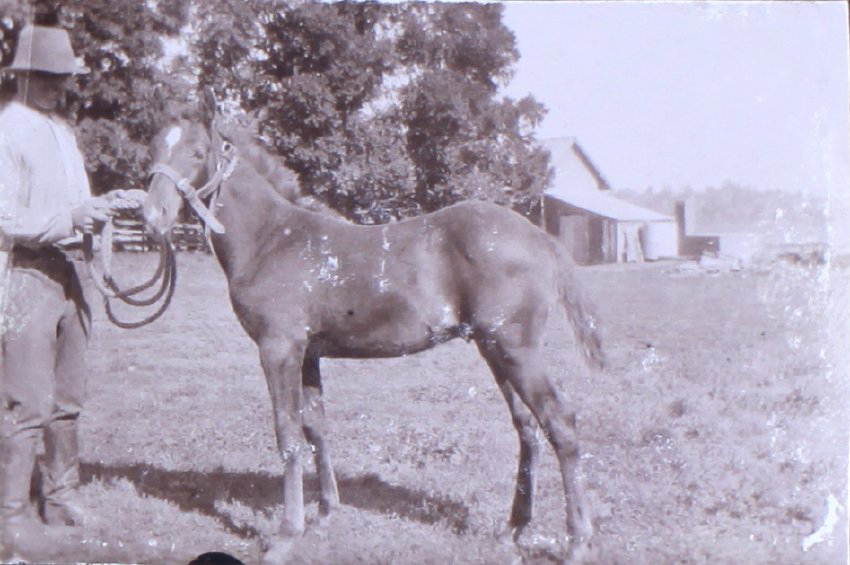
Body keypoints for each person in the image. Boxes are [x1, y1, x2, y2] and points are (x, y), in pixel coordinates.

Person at [0, 23, 142, 560]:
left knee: (68, 399)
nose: (63, 86)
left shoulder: (61, 130)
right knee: (26, 402)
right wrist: (73, 217)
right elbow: (5, 217)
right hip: (28, 276)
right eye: (53, 77)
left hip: (72, 276)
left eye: (66, 78)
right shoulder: (8, 129)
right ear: (25, 76)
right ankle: (11, 516)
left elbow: (79, 204)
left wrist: (106, 210)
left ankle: (60, 498)